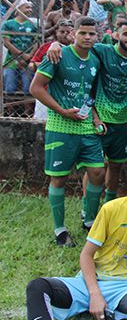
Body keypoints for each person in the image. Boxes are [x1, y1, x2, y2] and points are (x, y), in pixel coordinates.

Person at [26, 157, 127, 320]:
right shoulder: (111, 208)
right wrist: (94, 294)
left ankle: (113, 309)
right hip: (92, 280)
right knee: (37, 287)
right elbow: (86, 255)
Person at [47, 20, 127, 206]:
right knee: (95, 168)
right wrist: (55, 44)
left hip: (121, 120)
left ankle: (109, 205)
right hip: (98, 118)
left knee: (116, 165)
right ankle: (87, 207)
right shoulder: (102, 50)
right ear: (116, 35)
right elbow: (78, 48)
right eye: (125, 34)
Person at [29, 17, 105, 246]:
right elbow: (35, 87)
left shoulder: (95, 60)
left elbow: (89, 94)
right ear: (73, 33)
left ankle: (89, 219)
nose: (88, 37)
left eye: (92, 34)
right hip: (60, 127)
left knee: (98, 172)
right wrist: (62, 110)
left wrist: (95, 116)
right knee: (59, 179)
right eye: (83, 33)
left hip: (85, 126)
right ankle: (60, 230)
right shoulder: (58, 55)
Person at [2, 0, 38, 95]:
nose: (30, 10)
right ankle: (9, 110)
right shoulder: (8, 24)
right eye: (27, 7)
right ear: (19, 8)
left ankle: (28, 110)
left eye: (31, 8)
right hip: (11, 60)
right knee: (9, 89)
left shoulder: (33, 25)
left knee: (28, 89)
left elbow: (36, 42)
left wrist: (29, 56)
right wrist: (21, 55)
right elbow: (6, 42)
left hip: (28, 62)